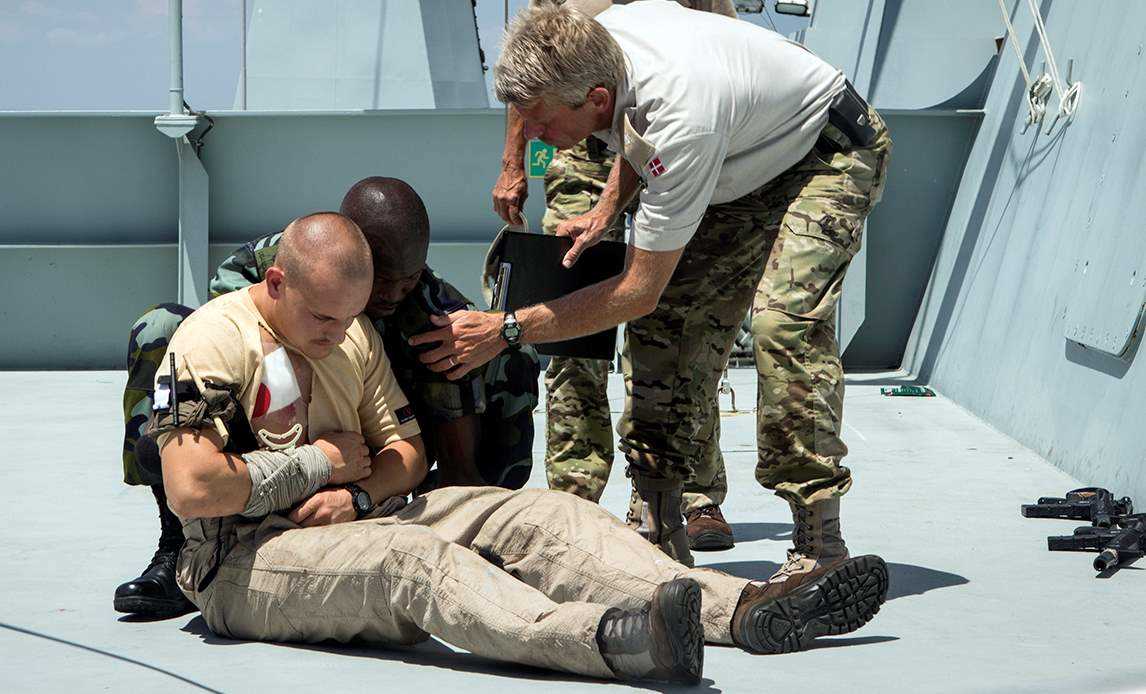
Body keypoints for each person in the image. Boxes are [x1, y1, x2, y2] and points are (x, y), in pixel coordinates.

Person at [151, 212, 888, 683]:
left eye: (349, 319)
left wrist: (359, 491)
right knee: (417, 561)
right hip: (241, 564)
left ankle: (743, 610)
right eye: (320, 317)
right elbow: (193, 489)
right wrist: (321, 464)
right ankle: (611, 640)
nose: (337, 334)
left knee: (541, 516)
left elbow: (403, 454)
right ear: (275, 281)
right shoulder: (212, 339)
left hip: (359, 517)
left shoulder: (351, 333)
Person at [413, 2, 892, 587]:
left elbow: (637, 288)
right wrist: (608, 207)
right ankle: (661, 523)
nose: (534, 137)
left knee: (780, 324)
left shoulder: (680, 116)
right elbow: (634, 133)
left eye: (539, 122)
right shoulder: (601, 41)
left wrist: (509, 328)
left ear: (592, 99)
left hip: (824, 153)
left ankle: (819, 539)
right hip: (736, 156)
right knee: (669, 325)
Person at [114, 177, 540, 618]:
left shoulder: (434, 312)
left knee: (505, 355)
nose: (394, 294)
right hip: (274, 414)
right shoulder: (271, 263)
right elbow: (237, 357)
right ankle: (175, 543)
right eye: (384, 279)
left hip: (374, 431)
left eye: (408, 278)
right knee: (161, 330)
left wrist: (376, 499)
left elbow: (440, 451)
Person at [492, 0, 739, 551]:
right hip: (576, 140)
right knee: (570, 306)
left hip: (669, 136)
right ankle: (574, 492)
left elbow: (715, 57)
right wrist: (514, 162)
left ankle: (690, 490)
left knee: (676, 320)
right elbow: (527, 73)